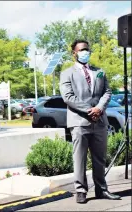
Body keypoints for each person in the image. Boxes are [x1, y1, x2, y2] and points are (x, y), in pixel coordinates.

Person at [60, 39, 121, 204]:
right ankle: (81, 191)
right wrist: (89, 110)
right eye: (81, 50)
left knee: (100, 158)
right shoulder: (67, 73)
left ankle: (102, 189)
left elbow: (107, 92)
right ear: (74, 53)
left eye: (87, 49)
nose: (85, 52)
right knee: (79, 159)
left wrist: (99, 108)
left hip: (100, 121)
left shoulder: (99, 71)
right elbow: (68, 97)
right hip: (79, 122)